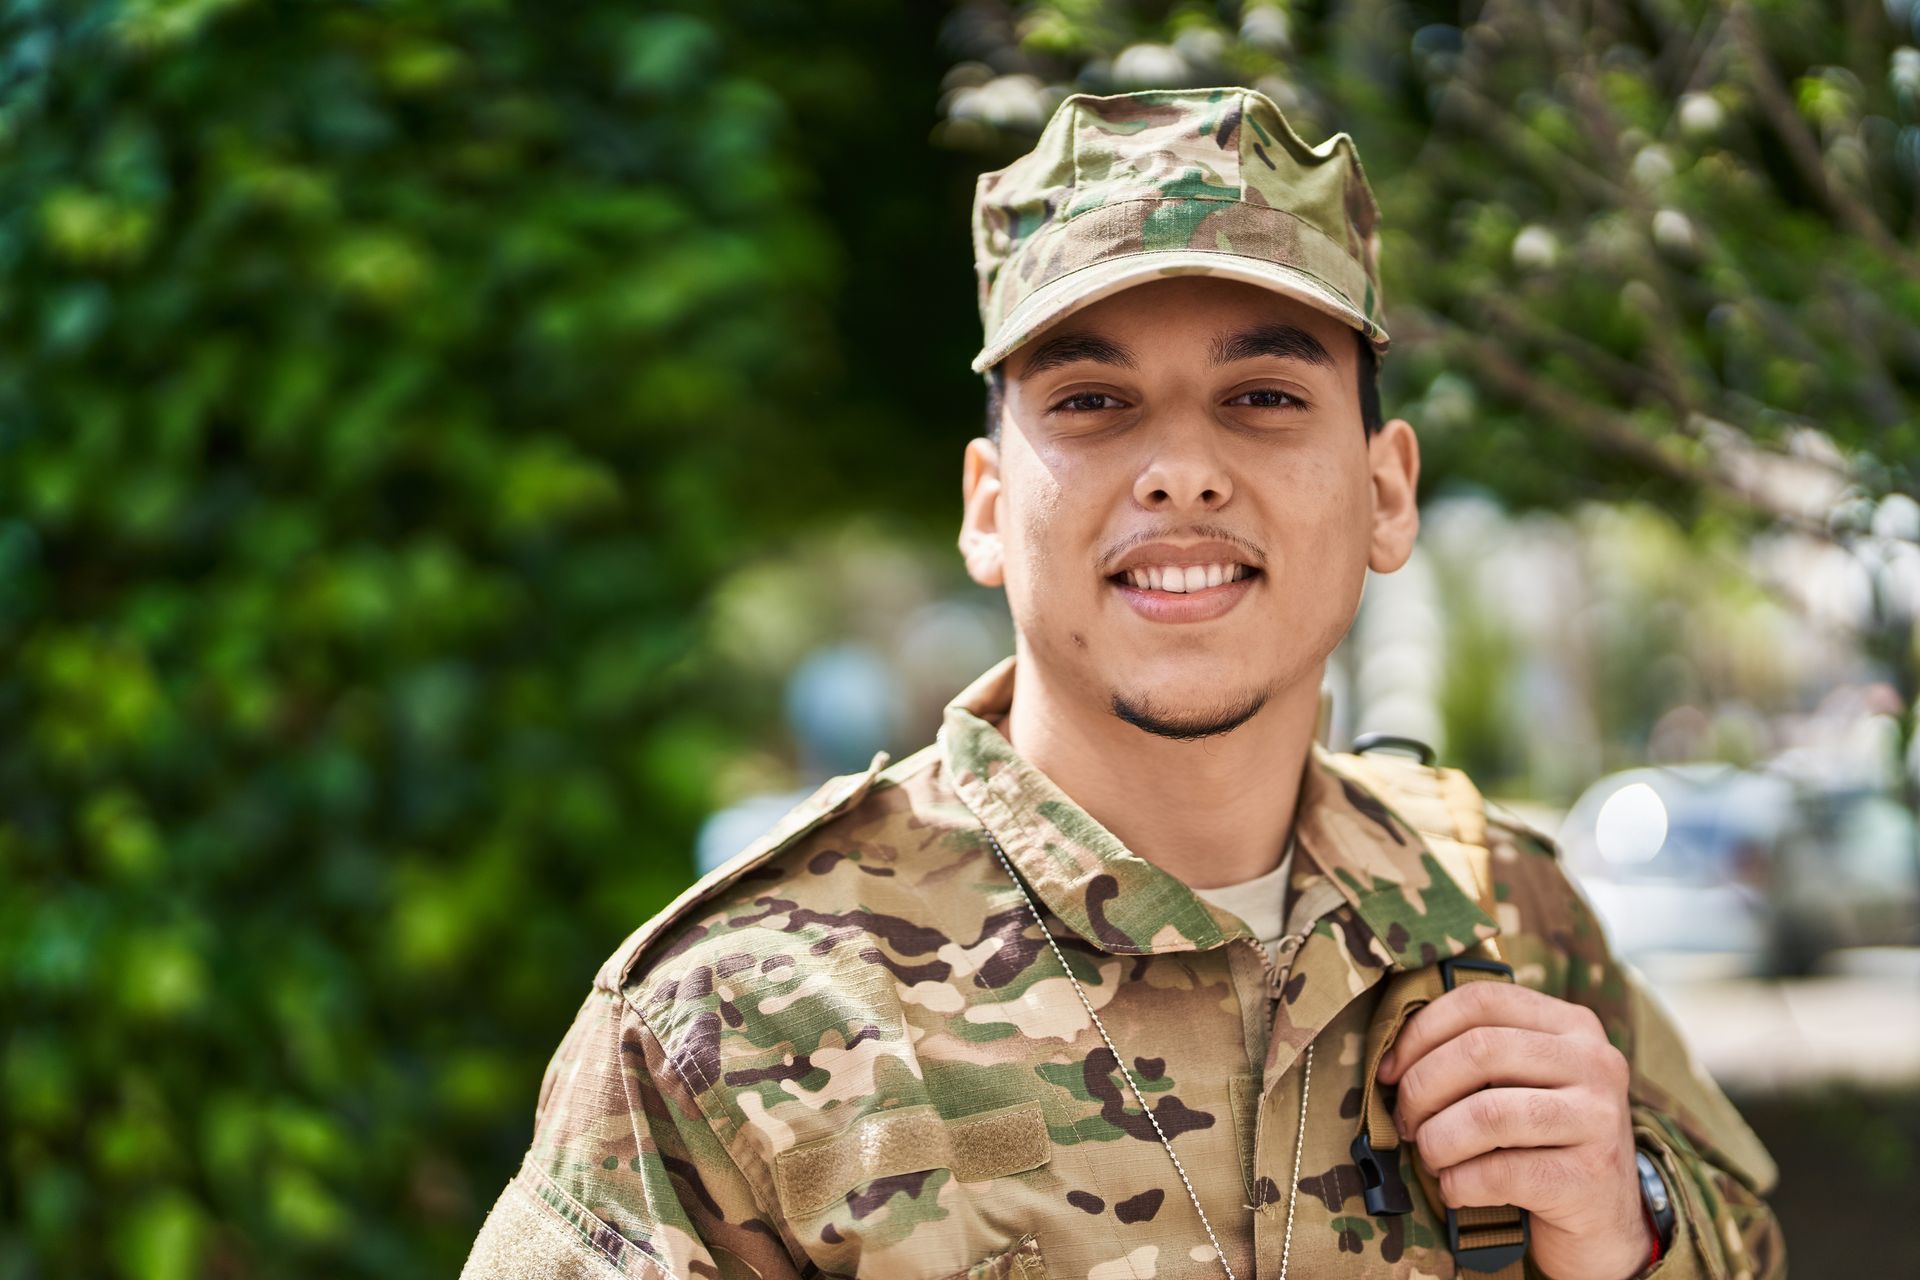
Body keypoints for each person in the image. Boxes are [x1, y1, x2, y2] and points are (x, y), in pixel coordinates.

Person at [461, 87, 1782, 1280]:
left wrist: (1632, 1230)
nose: (1183, 473)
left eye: (1264, 396)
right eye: (1092, 402)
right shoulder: (738, 1019)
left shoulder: (1501, 917)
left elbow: (1745, 1241)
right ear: (988, 509)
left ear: (1387, 493)